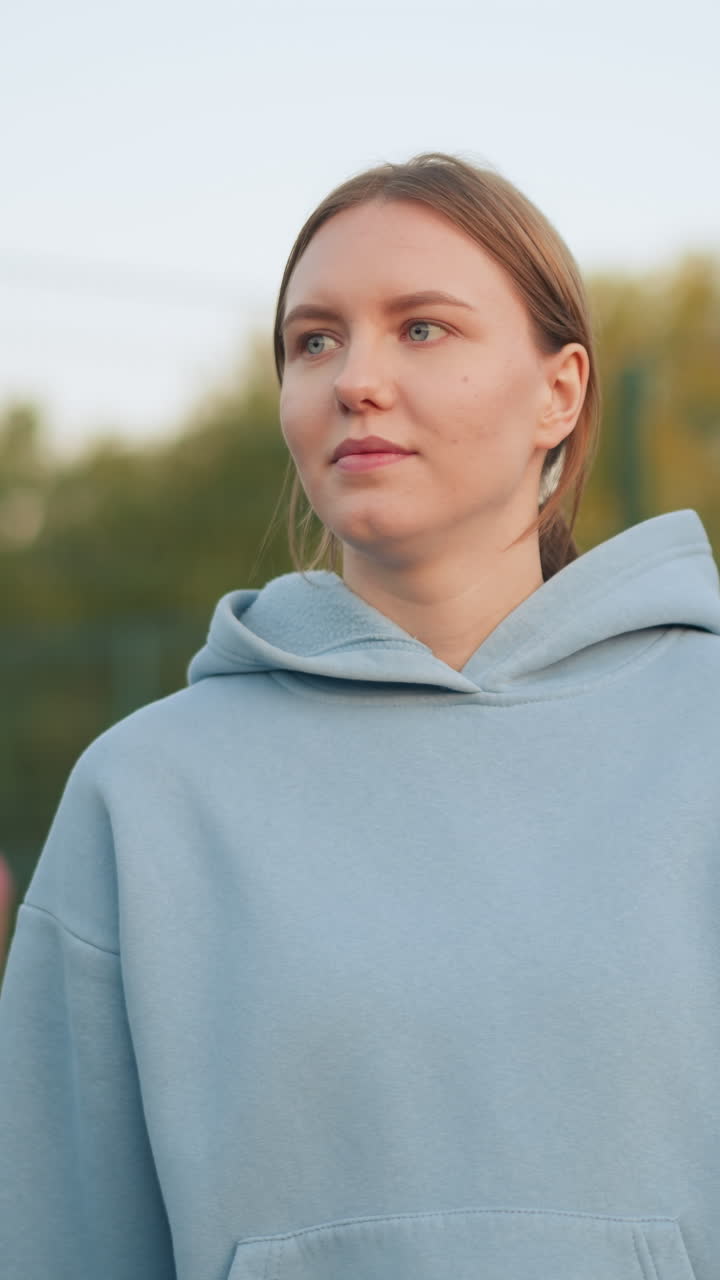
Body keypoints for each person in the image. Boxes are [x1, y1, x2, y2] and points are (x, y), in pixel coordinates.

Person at [1, 151, 719, 1280]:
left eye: (422, 328)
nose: (354, 379)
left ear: (561, 390)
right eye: (313, 340)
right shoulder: (143, 795)